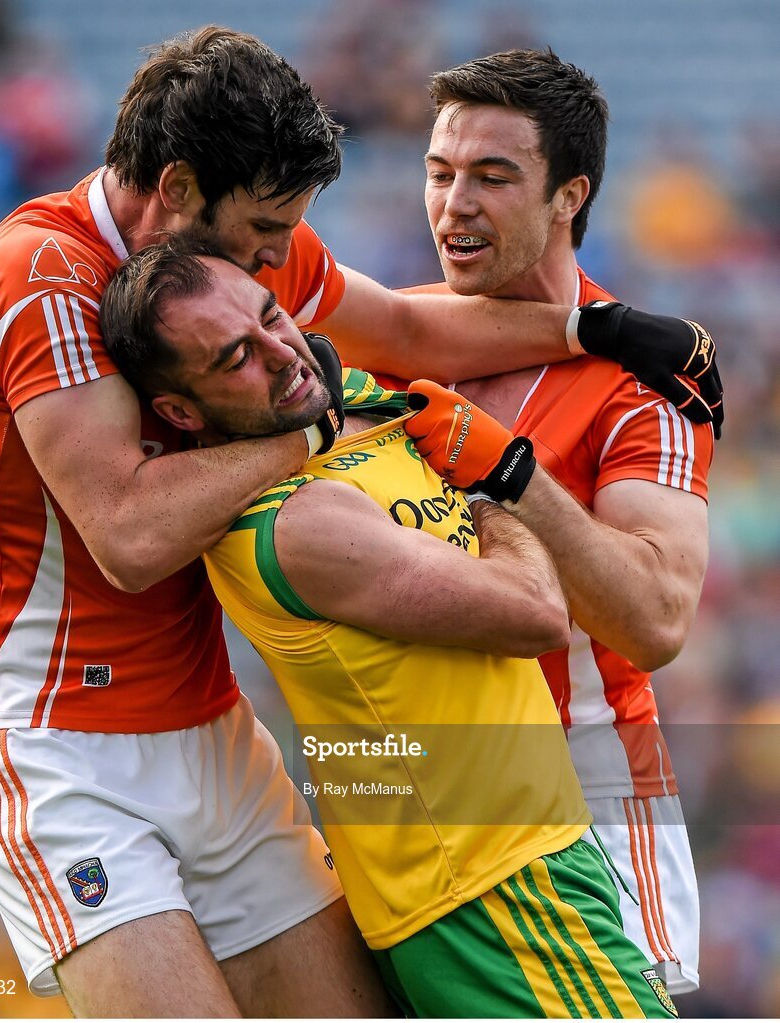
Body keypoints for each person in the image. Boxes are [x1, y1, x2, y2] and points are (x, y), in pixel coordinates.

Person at [0, 25, 717, 1015]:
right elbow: (130, 538)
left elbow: (398, 327)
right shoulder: (39, 275)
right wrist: (311, 437)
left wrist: (595, 328)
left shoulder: (220, 275)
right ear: (179, 192)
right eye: (268, 230)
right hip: (66, 757)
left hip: (212, 732)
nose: (280, 262)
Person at [99, 240, 680, 1019]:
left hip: (509, 870)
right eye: (237, 356)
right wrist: (488, 481)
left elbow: (419, 328)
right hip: (494, 892)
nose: (283, 355)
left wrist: (601, 328)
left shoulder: (346, 404)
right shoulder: (291, 522)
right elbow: (537, 612)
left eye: (274, 318)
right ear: (178, 411)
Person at [398, 49, 712, 996]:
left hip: (583, 796)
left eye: (494, 177)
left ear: (569, 194)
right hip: (406, 791)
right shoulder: (393, 335)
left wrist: (510, 472)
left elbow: (656, 619)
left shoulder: (645, 383)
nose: (456, 204)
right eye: (440, 172)